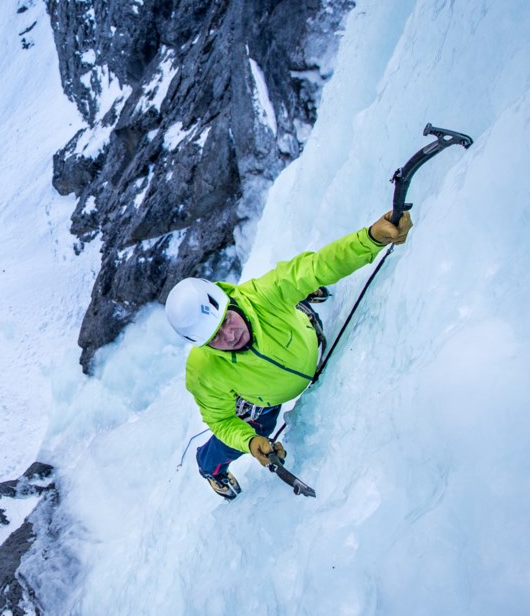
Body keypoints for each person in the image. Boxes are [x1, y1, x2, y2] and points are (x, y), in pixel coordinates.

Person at [165, 210, 413, 499]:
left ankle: (302, 300)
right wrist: (250, 441)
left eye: (226, 321)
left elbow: (319, 265)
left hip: (305, 336)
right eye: (215, 338)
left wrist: (370, 239)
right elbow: (221, 421)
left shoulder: (262, 295)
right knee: (256, 429)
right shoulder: (203, 371)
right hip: (263, 399)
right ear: (202, 345)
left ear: (229, 302)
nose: (229, 335)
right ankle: (210, 469)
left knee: (301, 283)